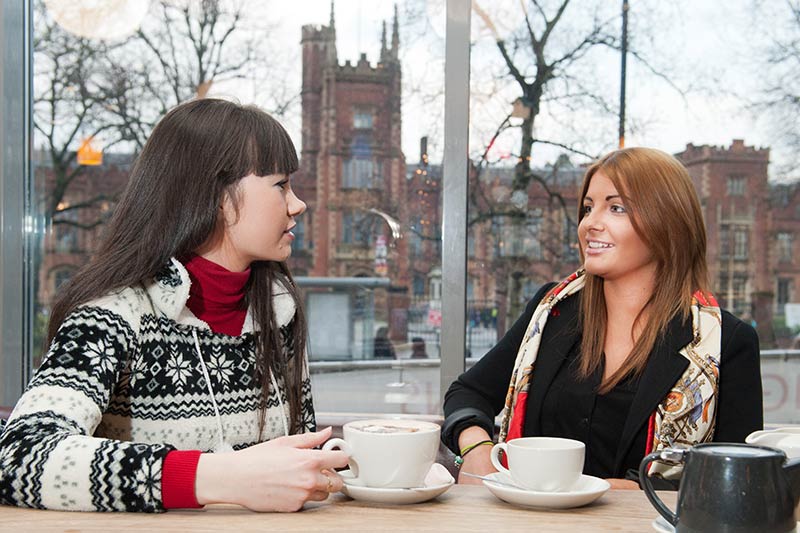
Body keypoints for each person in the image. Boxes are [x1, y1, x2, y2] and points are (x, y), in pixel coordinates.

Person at [0, 98, 349, 512]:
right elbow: (18, 456)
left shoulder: (279, 311)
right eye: (280, 185)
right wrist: (218, 477)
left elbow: (299, 466)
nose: (298, 204)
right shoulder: (113, 312)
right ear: (219, 195)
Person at [442, 147, 763, 490]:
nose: (590, 224)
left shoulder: (727, 341)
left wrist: (633, 491)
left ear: (667, 223)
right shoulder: (553, 311)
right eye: (588, 208)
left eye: (616, 207)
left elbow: (739, 480)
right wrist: (476, 447)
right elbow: (468, 392)